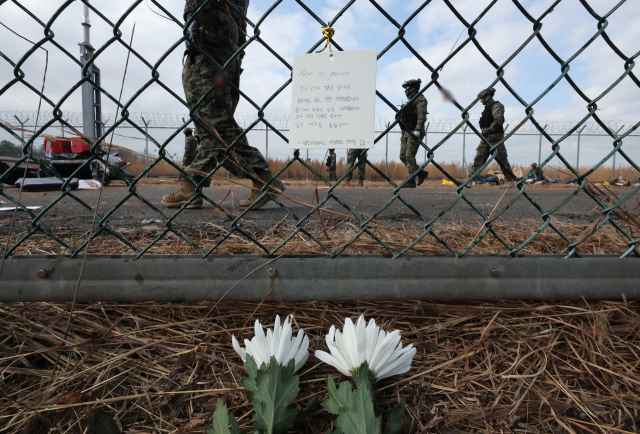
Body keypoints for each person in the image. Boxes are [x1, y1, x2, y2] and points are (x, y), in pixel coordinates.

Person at [162, 0, 285, 210]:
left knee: (216, 125)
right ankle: (191, 185)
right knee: (209, 126)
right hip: (228, 48)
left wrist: (194, 21)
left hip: (208, 43)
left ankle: (262, 177)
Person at [471, 88, 517, 189]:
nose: (481, 100)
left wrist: (489, 130)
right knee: (479, 157)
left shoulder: (496, 106)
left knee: (501, 159)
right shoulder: (486, 109)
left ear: (488, 96)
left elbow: (498, 120)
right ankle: (470, 179)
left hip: (495, 137)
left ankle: (509, 180)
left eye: (482, 98)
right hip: (486, 137)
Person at [397, 79, 429, 188]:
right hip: (406, 132)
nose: (406, 91)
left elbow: (422, 116)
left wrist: (418, 130)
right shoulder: (409, 102)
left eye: (407, 88)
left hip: (415, 131)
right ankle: (420, 173)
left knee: (409, 155)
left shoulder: (420, 99)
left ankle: (411, 179)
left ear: (413, 88)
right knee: (403, 156)